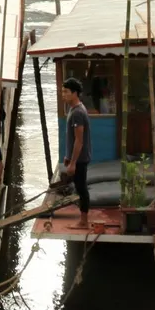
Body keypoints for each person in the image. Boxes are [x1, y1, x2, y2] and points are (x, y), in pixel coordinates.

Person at [61, 77, 92, 229]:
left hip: (80, 159)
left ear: (75, 93)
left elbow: (79, 140)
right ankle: (83, 219)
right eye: (62, 91)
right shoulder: (73, 110)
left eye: (66, 92)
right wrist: (68, 156)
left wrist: (73, 163)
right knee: (80, 187)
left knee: (81, 188)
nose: (63, 94)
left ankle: (84, 221)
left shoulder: (78, 113)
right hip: (76, 158)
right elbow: (72, 138)